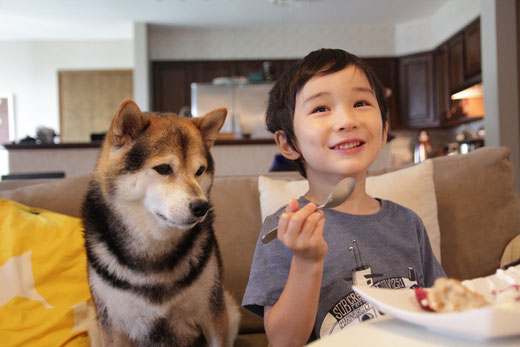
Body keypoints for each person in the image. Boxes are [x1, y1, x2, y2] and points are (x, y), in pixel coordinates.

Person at [242, 48, 445, 346]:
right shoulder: (284, 230)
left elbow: (442, 309)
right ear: (288, 143)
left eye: (360, 102)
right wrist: (306, 260)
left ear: (385, 127)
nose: (346, 120)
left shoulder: (407, 222)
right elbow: (284, 342)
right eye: (321, 108)